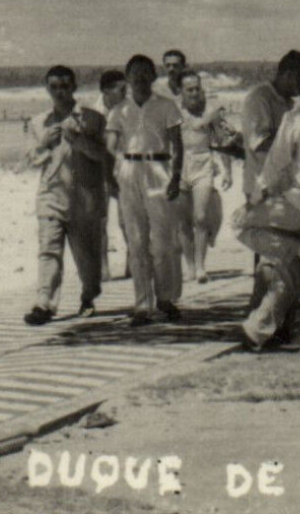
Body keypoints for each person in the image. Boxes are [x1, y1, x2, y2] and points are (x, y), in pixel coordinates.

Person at [233, 62, 300, 349]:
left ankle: (297, 249)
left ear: (299, 88)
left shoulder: (295, 118)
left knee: (239, 223)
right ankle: (257, 329)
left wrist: (256, 199)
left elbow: (274, 163)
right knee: (293, 270)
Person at [23, 66, 110, 325]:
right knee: (48, 250)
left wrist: (80, 141)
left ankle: (88, 295)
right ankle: (44, 304)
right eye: (54, 87)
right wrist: (44, 143)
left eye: (64, 86)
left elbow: (103, 156)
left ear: (74, 87)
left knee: (87, 259)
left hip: (84, 198)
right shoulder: (38, 123)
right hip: (51, 196)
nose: (60, 92)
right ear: (47, 89)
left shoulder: (92, 119)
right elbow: (31, 160)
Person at [106, 56, 185, 325]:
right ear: (127, 78)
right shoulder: (118, 111)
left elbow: (177, 144)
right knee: (136, 241)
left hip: (159, 170)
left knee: (163, 242)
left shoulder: (166, 106)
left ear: (153, 76)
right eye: (134, 73)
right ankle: (143, 305)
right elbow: (110, 145)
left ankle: (166, 298)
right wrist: (111, 176)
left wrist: (176, 176)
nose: (139, 78)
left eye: (144, 73)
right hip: (129, 171)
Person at [175, 73, 234, 285]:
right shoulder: (173, 111)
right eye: (189, 89)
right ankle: (189, 266)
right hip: (179, 167)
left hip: (203, 166)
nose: (194, 93)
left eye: (197, 89)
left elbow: (221, 142)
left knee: (200, 217)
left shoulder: (211, 112)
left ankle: (200, 266)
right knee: (182, 222)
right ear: (181, 91)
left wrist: (228, 171)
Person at [240, 51, 300, 208]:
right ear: (289, 75)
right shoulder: (259, 98)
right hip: (261, 188)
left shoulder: (292, 103)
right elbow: (259, 142)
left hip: (284, 187)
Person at [95, 70, 129, 280]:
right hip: (99, 170)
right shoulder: (92, 112)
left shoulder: (128, 110)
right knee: (100, 220)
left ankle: (132, 264)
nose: (126, 93)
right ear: (106, 91)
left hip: (122, 168)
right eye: (122, 89)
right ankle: (103, 268)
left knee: (128, 219)